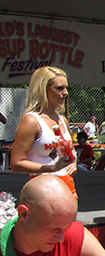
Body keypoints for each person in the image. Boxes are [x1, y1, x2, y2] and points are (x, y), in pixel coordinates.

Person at [10, 66, 78, 198]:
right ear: (43, 90)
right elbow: (16, 164)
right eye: (59, 88)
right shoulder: (32, 120)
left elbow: (71, 150)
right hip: (42, 188)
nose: (66, 92)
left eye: (66, 87)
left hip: (68, 186)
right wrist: (51, 168)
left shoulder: (62, 119)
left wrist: (73, 162)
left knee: (71, 219)